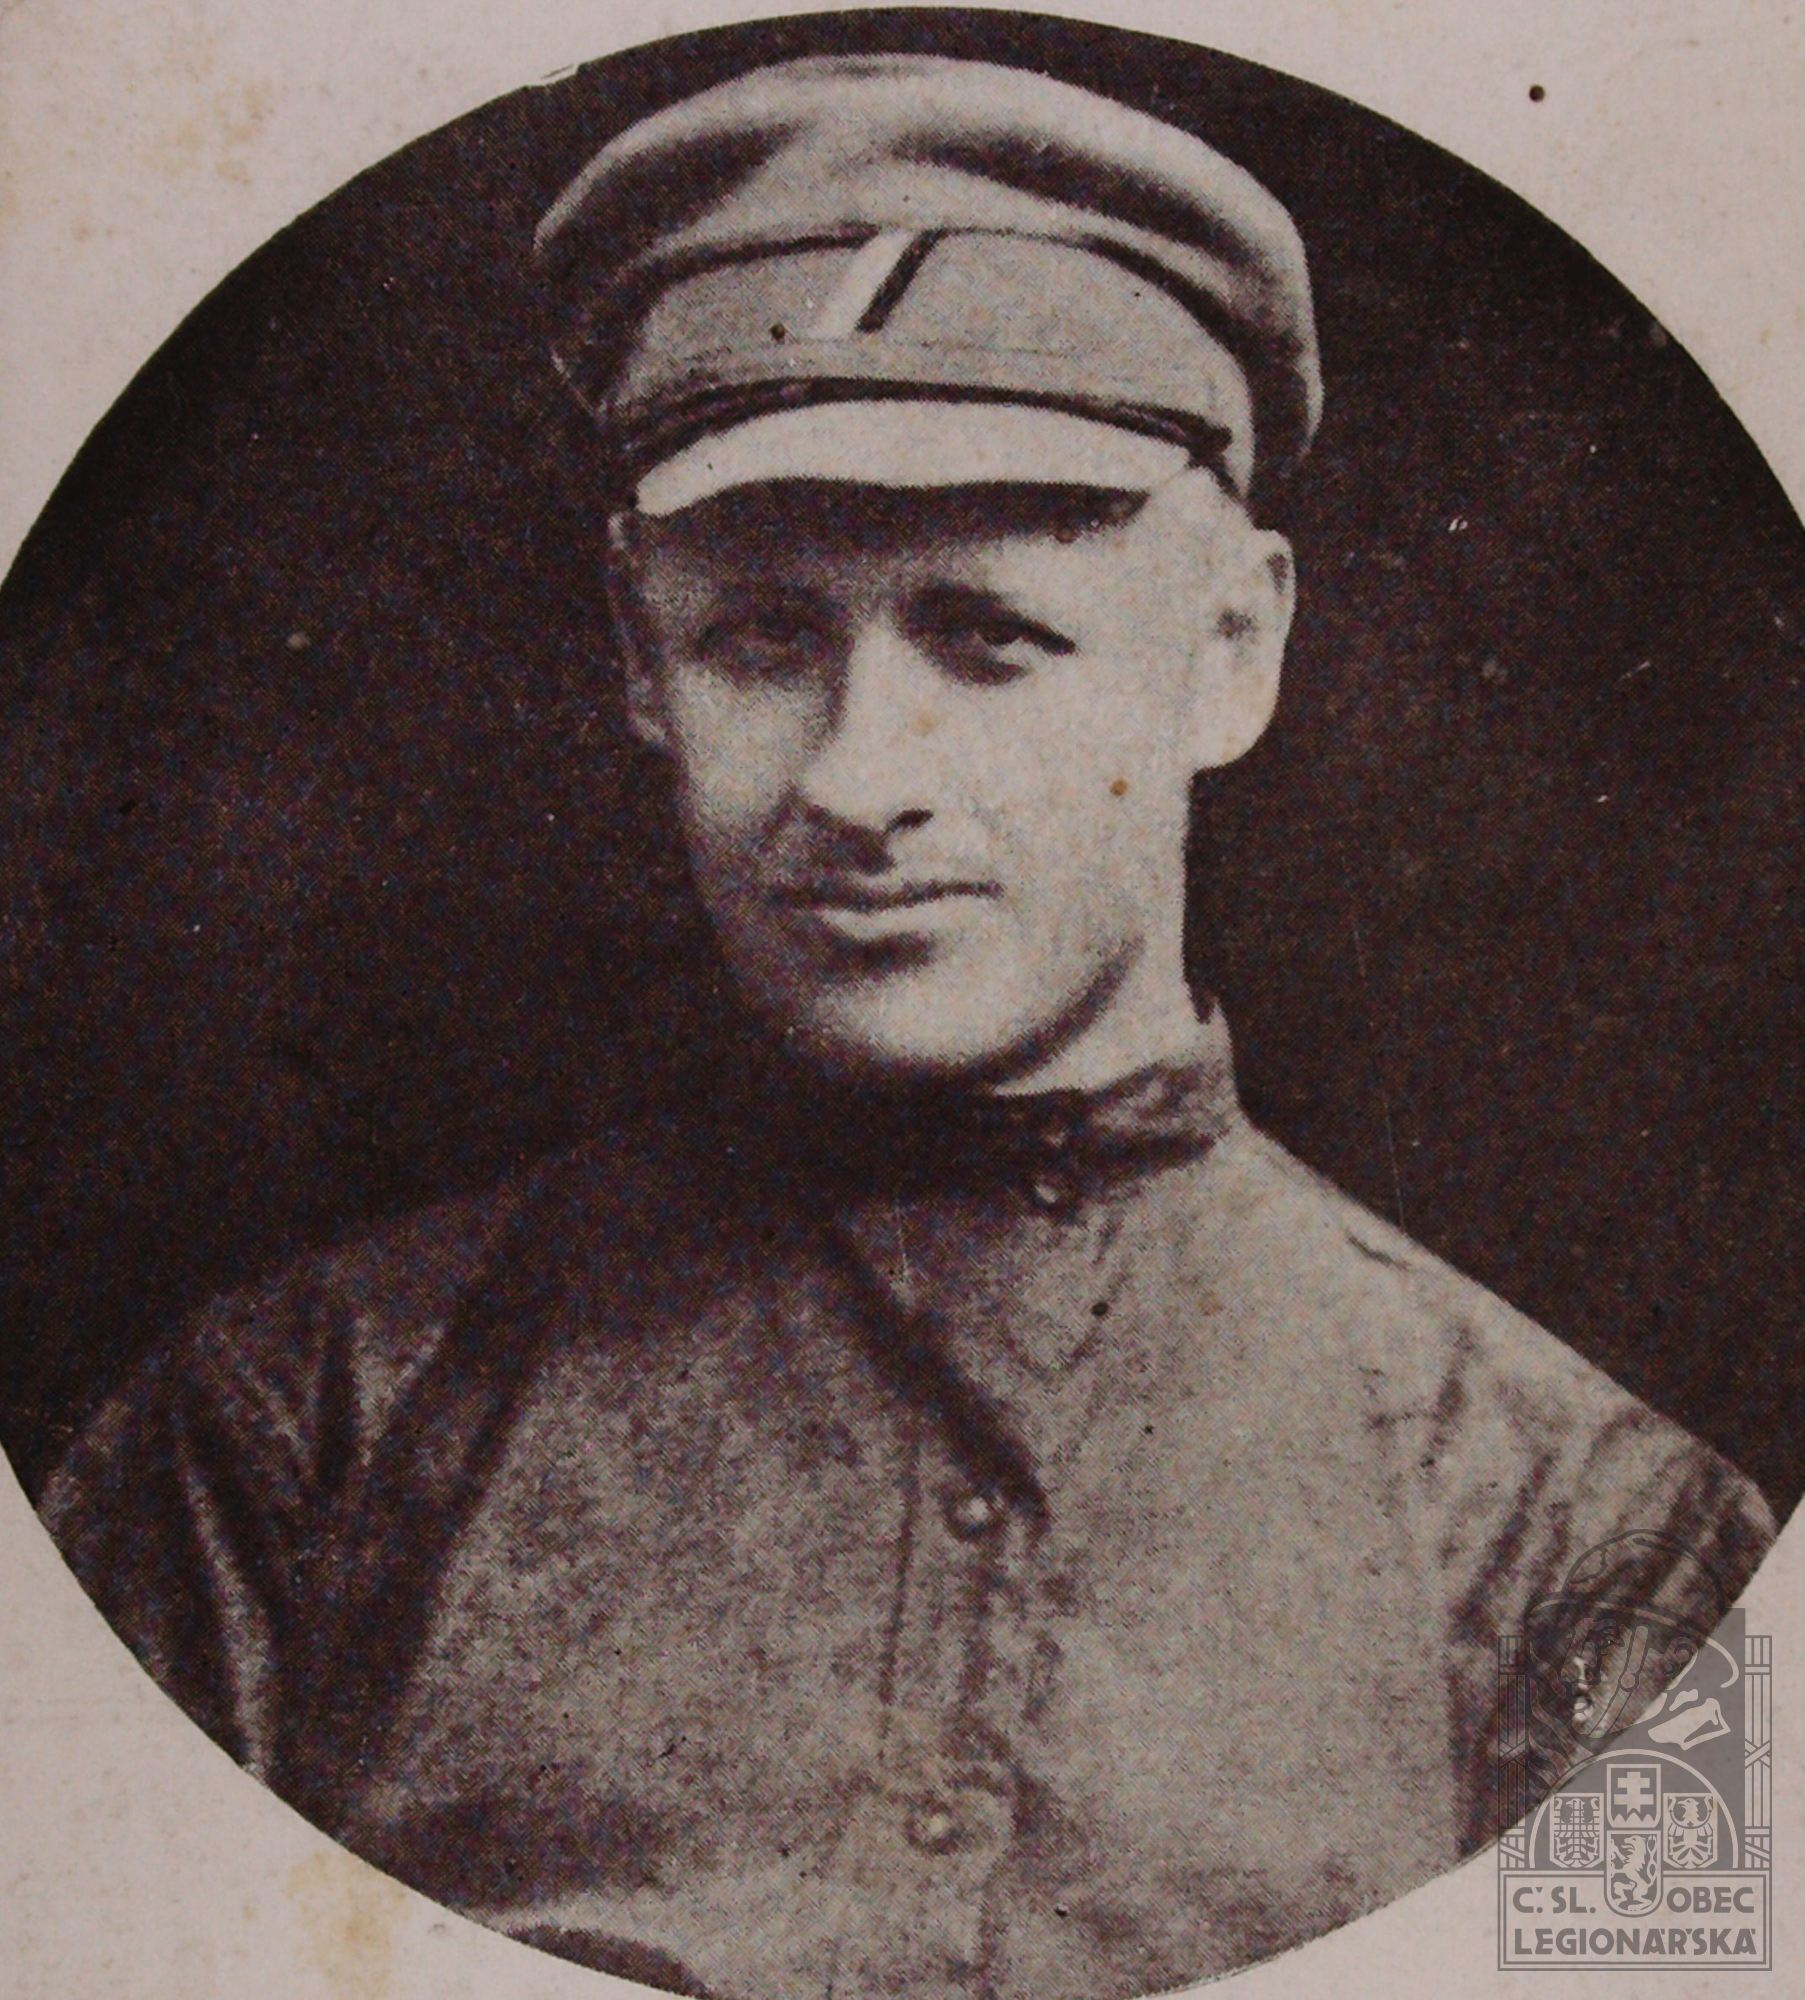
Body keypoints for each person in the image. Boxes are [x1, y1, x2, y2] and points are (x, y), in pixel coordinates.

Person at [40, 52, 1775, 2000]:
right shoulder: (284, 1453)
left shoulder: (1592, 1543)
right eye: (762, 638)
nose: (858, 777)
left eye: (987, 635)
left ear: (1229, 650)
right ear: (636, 652)